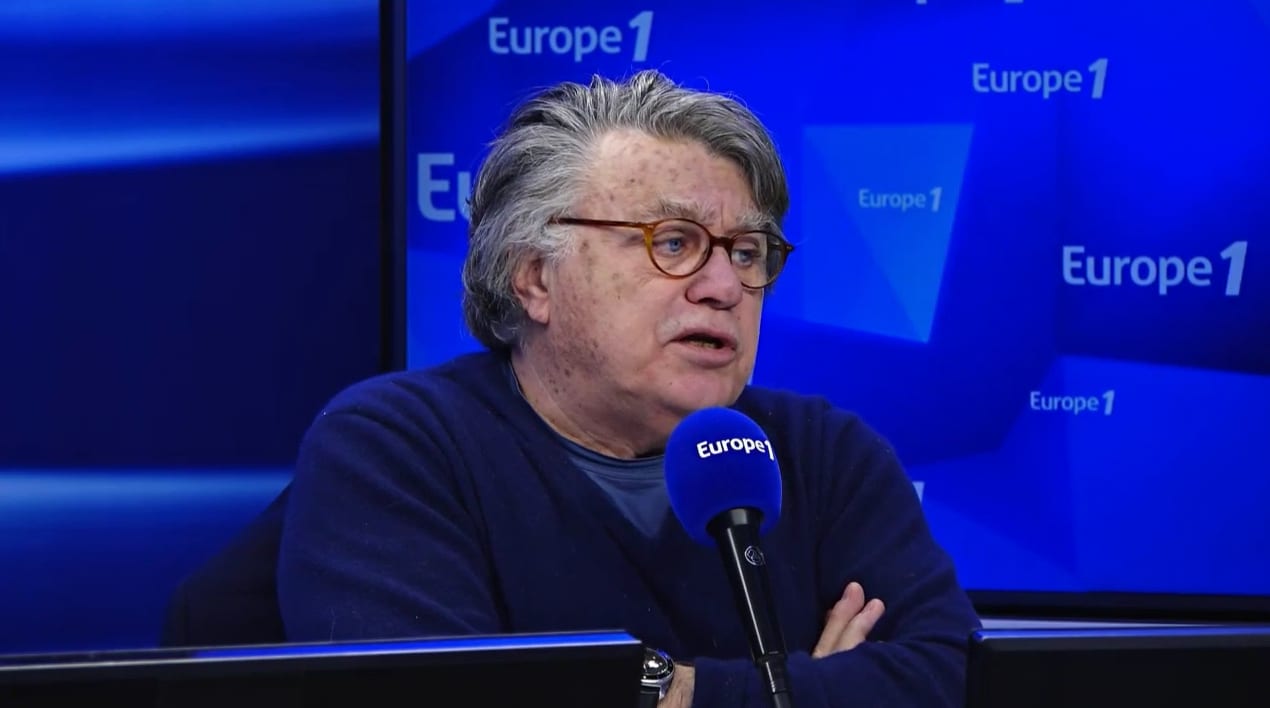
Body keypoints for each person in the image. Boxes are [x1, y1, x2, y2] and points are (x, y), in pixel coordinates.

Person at [276, 69, 981, 707]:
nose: (725, 286)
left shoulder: (824, 454)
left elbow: (961, 679)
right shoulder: (398, 448)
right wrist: (805, 690)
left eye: (746, 252)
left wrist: (674, 693)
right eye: (673, 243)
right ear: (535, 277)